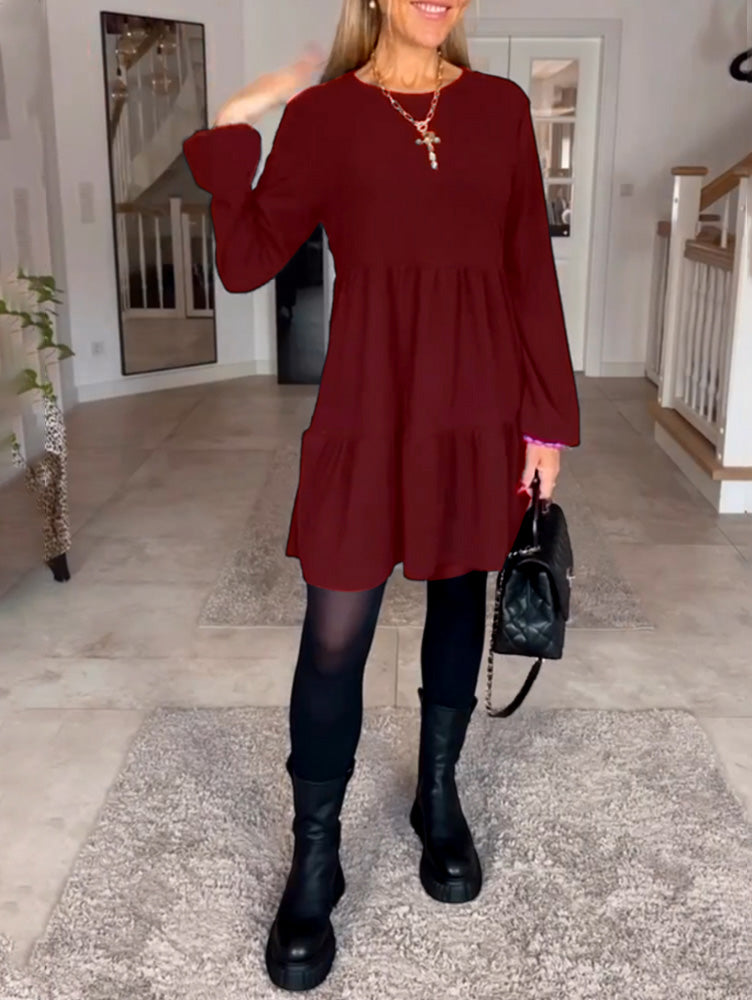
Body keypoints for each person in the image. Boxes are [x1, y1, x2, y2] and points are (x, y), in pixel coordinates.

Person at [183, 0, 580, 990]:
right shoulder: (324, 116)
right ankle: (314, 858)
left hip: (478, 399)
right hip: (367, 401)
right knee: (333, 633)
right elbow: (245, 261)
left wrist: (546, 422)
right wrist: (232, 126)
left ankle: (436, 797)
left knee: (458, 595)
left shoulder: (498, 107)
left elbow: (527, 264)